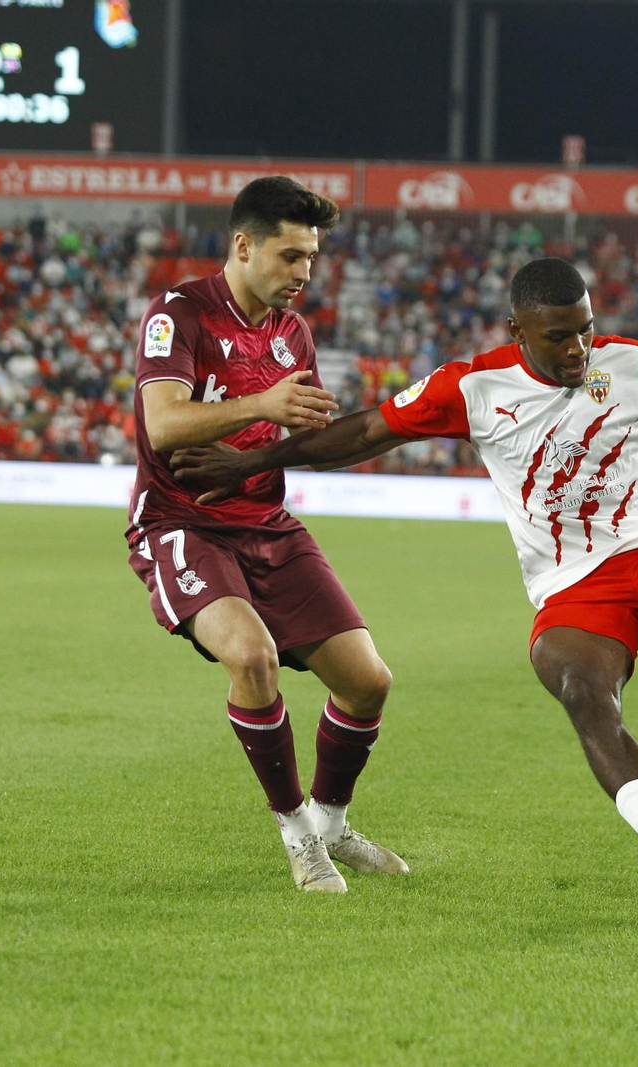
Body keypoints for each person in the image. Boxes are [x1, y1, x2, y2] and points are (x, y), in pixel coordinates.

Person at [171, 257, 638, 911]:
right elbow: (362, 434)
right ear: (518, 331)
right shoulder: (473, 387)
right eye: (558, 336)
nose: (578, 348)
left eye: (586, 330)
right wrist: (249, 462)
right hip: (574, 584)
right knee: (583, 689)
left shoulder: (634, 363)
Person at [126, 176, 407, 894]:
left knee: (368, 681)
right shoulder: (178, 313)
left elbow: (298, 433)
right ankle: (299, 836)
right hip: (182, 522)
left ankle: (333, 824)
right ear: (244, 246)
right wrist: (263, 404)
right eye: (290, 255)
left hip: (269, 523)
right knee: (252, 658)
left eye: (310, 256)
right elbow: (163, 424)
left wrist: (279, 443)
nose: (304, 271)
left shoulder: (293, 332)